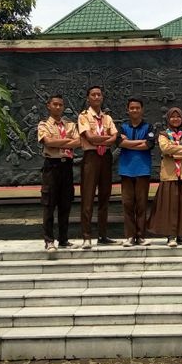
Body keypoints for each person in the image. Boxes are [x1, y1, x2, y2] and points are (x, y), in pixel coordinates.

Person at [37, 95, 80, 252]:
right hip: (52, 167)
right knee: (49, 204)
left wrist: (58, 143)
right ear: (48, 105)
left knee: (65, 204)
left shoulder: (70, 125)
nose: (58, 107)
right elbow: (48, 142)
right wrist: (67, 142)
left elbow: (78, 141)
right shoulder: (44, 124)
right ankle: (49, 240)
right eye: (55, 104)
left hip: (66, 166)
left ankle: (63, 239)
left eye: (60, 105)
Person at [148, 107, 182, 247]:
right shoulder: (163, 134)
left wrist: (173, 153)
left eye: (178, 116)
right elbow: (165, 148)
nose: (175, 119)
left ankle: (181, 234)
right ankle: (171, 235)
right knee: (170, 206)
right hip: (170, 175)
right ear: (168, 119)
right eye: (172, 117)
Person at [78, 85, 119, 249]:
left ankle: (103, 235)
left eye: (99, 95)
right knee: (88, 197)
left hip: (105, 158)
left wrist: (100, 139)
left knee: (105, 196)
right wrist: (105, 139)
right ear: (88, 98)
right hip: (91, 157)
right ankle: (86, 236)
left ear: (102, 97)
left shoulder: (107, 118)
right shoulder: (83, 116)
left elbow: (115, 137)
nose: (96, 97)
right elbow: (89, 138)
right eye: (93, 95)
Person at [118, 97, 155, 247]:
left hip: (142, 170)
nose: (134, 110)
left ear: (142, 110)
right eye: (132, 108)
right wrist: (139, 142)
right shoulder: (122, 127)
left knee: (141, 204)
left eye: (137, 108)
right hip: (126, 170)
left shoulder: (149, 127)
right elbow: (119, 143)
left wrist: (128, 143)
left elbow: (149, 144)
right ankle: (129, 236)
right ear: (128, 110)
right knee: (127, 204)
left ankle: (140, 236)